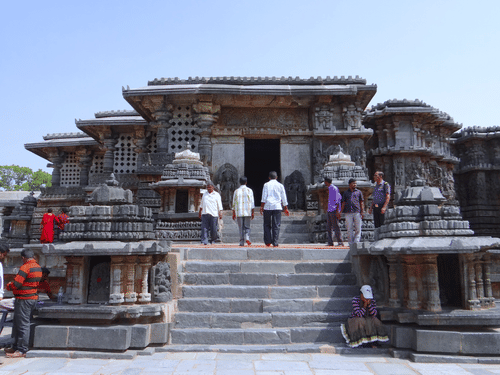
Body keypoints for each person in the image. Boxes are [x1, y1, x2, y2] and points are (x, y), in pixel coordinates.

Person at [4, 249, 42, 358]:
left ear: (23, 258)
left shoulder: (25, 267)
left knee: (22, 325)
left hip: (24, 299)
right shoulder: (38, 267)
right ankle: (15, 346)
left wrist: (9, 285)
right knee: (17, 323)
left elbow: (17, 284)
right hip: (31, 298)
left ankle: (22, 349)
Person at [260, 171, 289, 247]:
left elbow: (264, 196)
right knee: (276, 225)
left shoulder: (266, 185)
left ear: (269, 178)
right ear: (276, 177)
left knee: (266, 224)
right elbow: (284, 197)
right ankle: (275, 242)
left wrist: (261, 207)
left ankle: (268, 241)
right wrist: (285, 208)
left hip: (267, 206)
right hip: (277, 207)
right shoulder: (280, 185)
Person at [232, 176, 255, 246]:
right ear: (246, 182)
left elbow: (234, 203)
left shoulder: (236, 191)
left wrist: (233, 213)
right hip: (247, 211)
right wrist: (253, 212)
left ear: (240, 182)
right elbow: (252, 202)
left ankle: (241, 241)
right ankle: (247, 237)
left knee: (240, 227)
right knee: (247, 226)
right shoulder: (249, 190)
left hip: (239, 212)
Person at [341, 178, 364, 244]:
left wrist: (362, 211)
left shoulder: (359, 192)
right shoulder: (345, 193)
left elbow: (361, 202)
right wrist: (340, 211)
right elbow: (343, 203)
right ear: (349, 184)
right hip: (348, 212)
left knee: (358, 228)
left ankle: (356, 242)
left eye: (356, 183)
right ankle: (350, 243)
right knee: (349, 228)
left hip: (357, 211)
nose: (355, 184)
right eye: (353, 183)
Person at [323, 178, 343, 246]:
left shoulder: (334, 188)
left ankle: (340, 242)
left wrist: (338, 210)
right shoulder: (329, 189)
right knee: (329, 227)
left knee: (336, 226)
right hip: (329, 209)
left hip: (334, 210)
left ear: (326, 182)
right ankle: (330, 242)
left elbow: (338, 200)